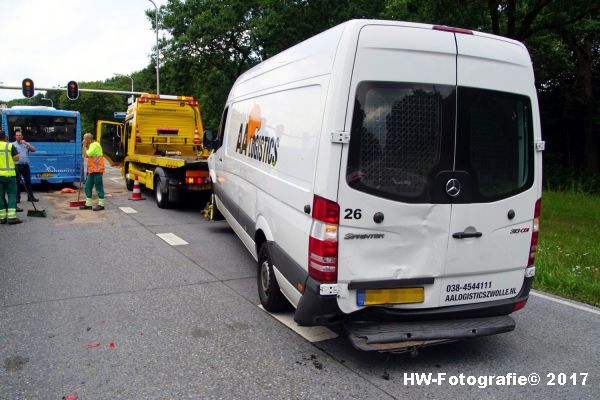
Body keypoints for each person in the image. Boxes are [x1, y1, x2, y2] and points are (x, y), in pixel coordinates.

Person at [0, 131, 22, 224]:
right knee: (12, 195)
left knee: (0, 196)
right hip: (10, 175)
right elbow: (16, 158)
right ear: (5, 137)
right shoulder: (9, 146)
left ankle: (2, 218)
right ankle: (12, 218)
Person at [80, 132, 105, 211]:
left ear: (89, 139)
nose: (84, 140)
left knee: (98, 187)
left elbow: (87, 154)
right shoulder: (91, 145)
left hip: (97, 170)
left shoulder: (94, 145)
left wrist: (84, 146)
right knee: (87, 186)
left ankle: (101, 204)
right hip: (92, 170)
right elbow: (85, 154)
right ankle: (88, 204)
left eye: (85, 139)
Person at [13, 129, 39, 203]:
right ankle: (17, 198)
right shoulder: (12, 145)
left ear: (22, 136)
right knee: (17, 182)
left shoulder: (26, 143)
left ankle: (30, 197)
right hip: (17, 166)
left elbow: (34, 150)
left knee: (28, 182)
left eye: (20, 135)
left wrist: (27, 144)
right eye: (17, 135)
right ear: (15, 137)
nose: (18, 136)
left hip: (25, 165)